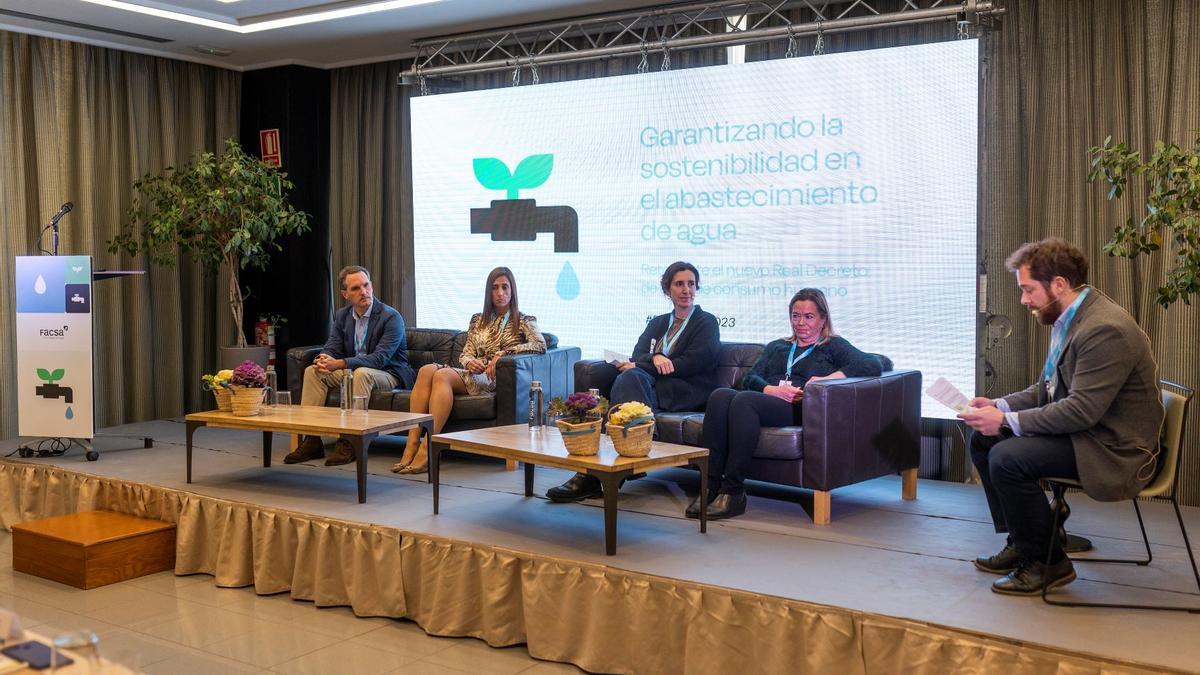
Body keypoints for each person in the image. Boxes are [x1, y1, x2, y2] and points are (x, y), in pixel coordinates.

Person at [959, 238, 1164, 595]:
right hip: (1089, 433)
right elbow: (1047, 390)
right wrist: (998, 406)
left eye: (1027, 290)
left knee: (1008, 458)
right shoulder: (1071, 318)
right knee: (984, 437)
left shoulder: (1104, 329)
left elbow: (1080, 411)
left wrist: (1005, 422)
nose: (1023, 300)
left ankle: (1049, 562)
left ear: (1058, 284)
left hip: (1114, 449)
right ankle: (1027, 541)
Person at [690, 288, 881, 520]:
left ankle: (733, 490)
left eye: (808, 317)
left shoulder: (832, 346)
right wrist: (772, 390)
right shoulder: (777, 347)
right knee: (720, 395)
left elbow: (872, 364)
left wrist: (827, 378)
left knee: (743, 400)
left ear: (823, 319)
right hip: (770, 399)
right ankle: (709, 486)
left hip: (799, 407)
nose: (801, 323)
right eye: (795, 316)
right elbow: (750, 378)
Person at [547, 261, 721, 502]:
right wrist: (654, 357)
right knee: (625, 376)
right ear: (667, 289)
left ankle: (596, 474)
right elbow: (638, 353)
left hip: (687, 388)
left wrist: (643, 365)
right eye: (679, 284)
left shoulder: (706, 322)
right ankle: (622, 456)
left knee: (631, 376)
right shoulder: (658, 322)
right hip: (654, 385)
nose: (686, 290)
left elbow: (692, 363)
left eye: (691, 284)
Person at [391, 266, 546, 474]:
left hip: (496, 378)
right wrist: (469, 362)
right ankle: (411, 444)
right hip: (475, 373)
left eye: (505, 287)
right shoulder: (477, 320)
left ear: (512, 291)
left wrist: (504, 353)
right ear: (488, 292)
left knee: (442, 375)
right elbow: (465, 353)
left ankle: (428, 448)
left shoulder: (525, 320)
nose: (500, 293)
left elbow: (540, 345)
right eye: (495, 288)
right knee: (427, 370)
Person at [285, 265, 415, 466]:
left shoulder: (391, 317)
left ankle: (350, 441)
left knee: (362, 373)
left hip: (389, 373)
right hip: (354, 371)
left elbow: (379, 359)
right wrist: (324, 358)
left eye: (366, 285)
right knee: (313, 372)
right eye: (356, 288)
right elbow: (333, 345)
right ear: (345, 294)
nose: (363, 292)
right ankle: (311, 439)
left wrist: (339, 363)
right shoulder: (343, 316)